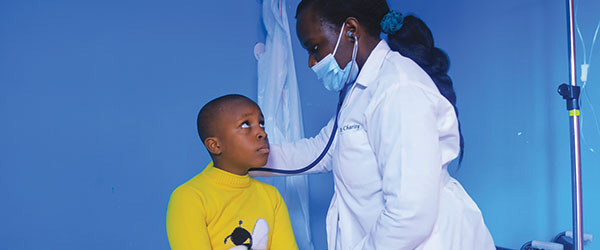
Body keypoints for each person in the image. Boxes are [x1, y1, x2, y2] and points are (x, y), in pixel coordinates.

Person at [250, 0, 496, 249]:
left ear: (351, 30)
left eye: (315, 47)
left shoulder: (398, 88)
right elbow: (319, 151)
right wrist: (245, 159)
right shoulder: (359, 90)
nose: (312, 62)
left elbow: (410, 214)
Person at [166, 94, 299, 250]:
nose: (262, 133)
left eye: (261, 123)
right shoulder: (190, 197)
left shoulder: (271, 197)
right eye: (245, 125)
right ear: (215, 145)